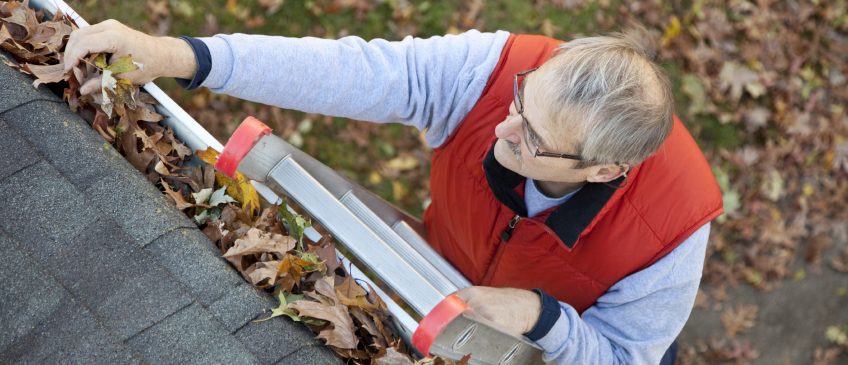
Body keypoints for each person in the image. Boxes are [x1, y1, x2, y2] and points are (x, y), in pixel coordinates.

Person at [63, 19, 722, 364]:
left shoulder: (671, 231)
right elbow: (352, 71)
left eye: (533, 139)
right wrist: (183, 57)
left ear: (603, 172)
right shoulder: (495, 71)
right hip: (436, 280)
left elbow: (624, 357)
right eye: (524, 97)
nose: (503, 124)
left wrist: (541, 317)